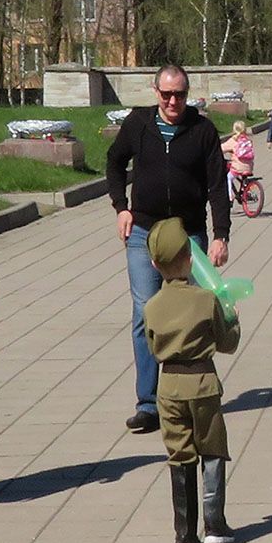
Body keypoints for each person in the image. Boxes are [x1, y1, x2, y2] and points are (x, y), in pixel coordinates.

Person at [106, 64, 232, 434]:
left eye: (179, 94)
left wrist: (221, 234)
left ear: (188, 93)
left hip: (189, 235)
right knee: (145, 313)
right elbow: (114, 163)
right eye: (166, 94)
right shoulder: (139, 124)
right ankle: (148, 403)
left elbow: (216, 187)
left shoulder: (202, 131)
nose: (173, 101)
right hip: (144, 232)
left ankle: (191, 394)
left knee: (193, 314)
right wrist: (120, 207)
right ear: (155, 92)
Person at [143, 218, 241, 543]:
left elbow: (154, 348)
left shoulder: (151, 307)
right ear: (190, 258)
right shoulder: (205, 299)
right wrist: (232, 317)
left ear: (155, 264)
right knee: (212, 449)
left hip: (168, 387)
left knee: (179, 453)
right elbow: (227, 342)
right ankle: (215, 525)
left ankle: (184, 534)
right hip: (203, 384)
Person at [220, 120, 254, 202]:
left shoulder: (234, 140)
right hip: (249, 167)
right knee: (243, 176)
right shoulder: (248, 140)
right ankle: (246, 191)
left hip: (238, 167)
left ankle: (229, 196)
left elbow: (221, 148)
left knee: (228, 178)